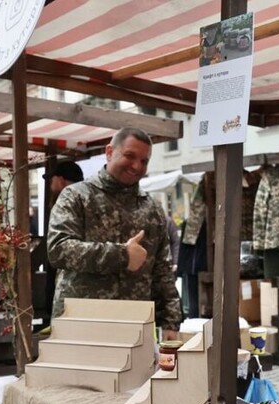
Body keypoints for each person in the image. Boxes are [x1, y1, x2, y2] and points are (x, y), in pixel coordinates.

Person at [47, 127, 182, 339]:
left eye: (144, 161)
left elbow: (162, 270)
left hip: (133, 324)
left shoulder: (152, 208)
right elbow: (59, 249)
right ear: (110, 152)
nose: (137, 166)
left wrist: (171, 322)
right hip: (81, 322)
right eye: (130, 156)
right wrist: (122, 255)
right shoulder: (76, 196)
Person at [41, 161, 84, 326]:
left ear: (60, 180)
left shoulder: (65, 202)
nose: (50, 183)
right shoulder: (88, 198)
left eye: (52, 179)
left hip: (66, 282)